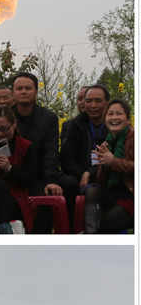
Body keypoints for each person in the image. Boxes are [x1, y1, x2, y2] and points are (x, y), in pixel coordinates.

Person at [12, 71, 77, 231]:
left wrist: (50, 180)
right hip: (14, 173)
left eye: (28, 88)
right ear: (13, 92)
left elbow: (51, 152)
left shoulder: (48, 118)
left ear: (35, 91)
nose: (24, 91)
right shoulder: (7, 116)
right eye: (19, 88)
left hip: (40, 173)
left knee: (65, 186)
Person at [83, 98, 134, 233]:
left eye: (119, 114)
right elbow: (101, 179)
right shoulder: (108, 141)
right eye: (110, 114)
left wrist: (113, 161)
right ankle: (90, 234)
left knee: (107, 222)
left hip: (131, 195)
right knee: (92, 190)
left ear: (128, 119)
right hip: (113, 193)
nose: (114, 118)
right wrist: (102, 163)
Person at [60, 84, 108, 201]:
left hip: (108, 174)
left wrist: (90, 173)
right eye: (89, 101)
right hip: (80, 176)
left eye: (98, 101)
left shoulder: (114, 124)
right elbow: (67, 159)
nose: (93, 105)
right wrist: (83, 173)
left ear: (107, 103)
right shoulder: (74, 125)